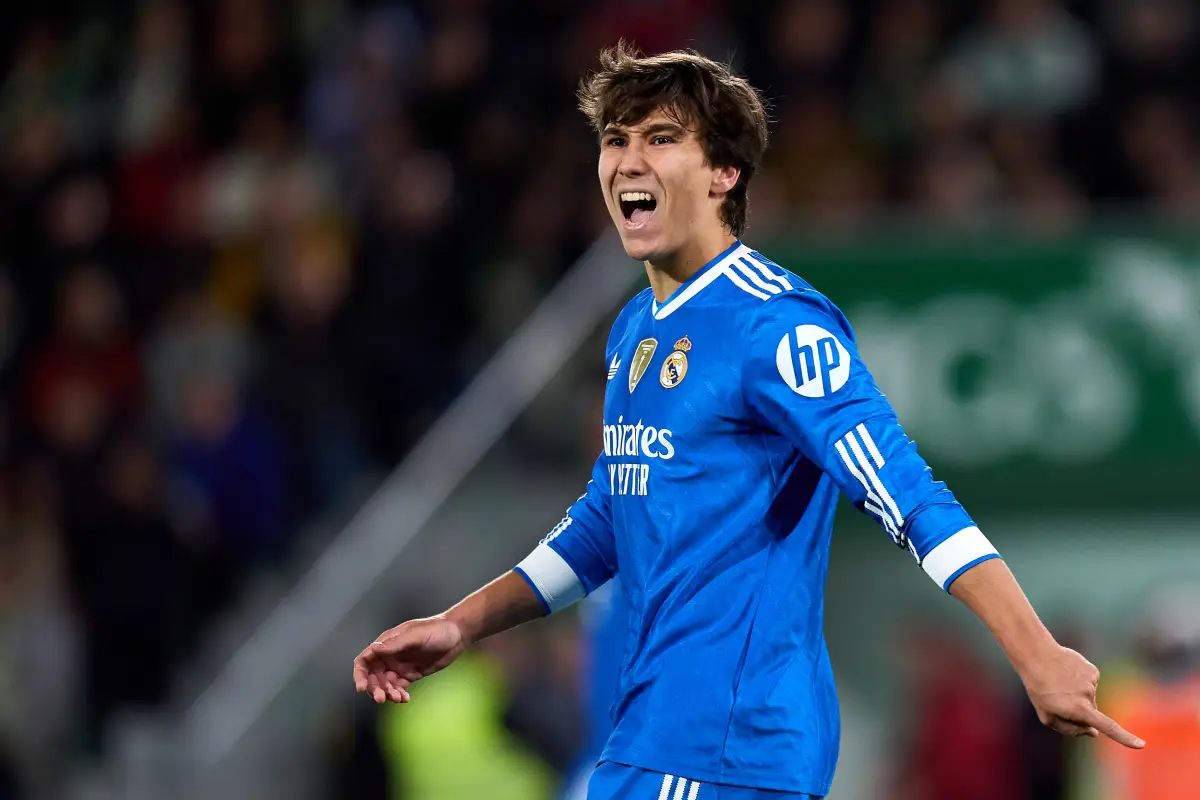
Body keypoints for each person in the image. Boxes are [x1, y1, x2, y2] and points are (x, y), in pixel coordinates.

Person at [353, 43, 1143, 799]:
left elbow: (905, 491)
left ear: (724, 172)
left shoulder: (776, 327)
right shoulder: (636, 329)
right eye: (615, 139)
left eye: (661, 138)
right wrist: (461, 626)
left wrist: (1033, 651)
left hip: (723, 741)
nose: (628, 160)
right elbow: (608, 516)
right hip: (660, 735)